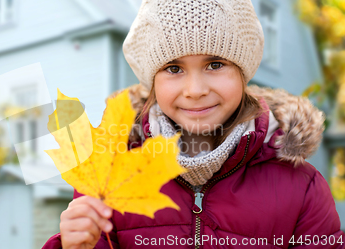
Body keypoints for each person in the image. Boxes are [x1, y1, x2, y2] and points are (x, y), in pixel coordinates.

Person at [43, 0, 345, 248]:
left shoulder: (302, 188)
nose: (195, 89)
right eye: (174, 68)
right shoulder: (107, 177)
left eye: (215, 64)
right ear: (152, 84)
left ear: (243, 72)